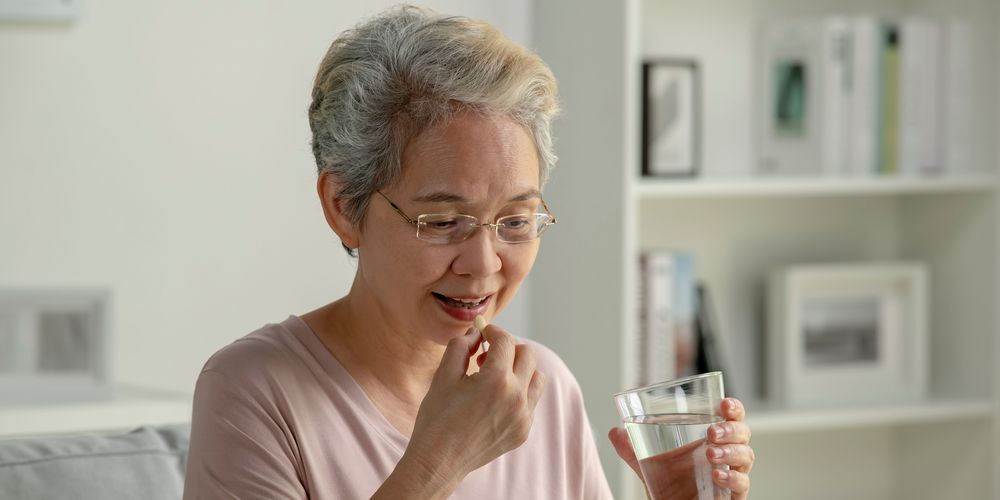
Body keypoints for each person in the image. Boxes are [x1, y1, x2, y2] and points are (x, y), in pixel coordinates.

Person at [183, 5, 754, 499]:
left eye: (515, 220)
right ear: (343, 206)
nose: (483, 264)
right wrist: (438, 462)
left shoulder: (541, 387)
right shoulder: (254, 390)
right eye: (444, 221)